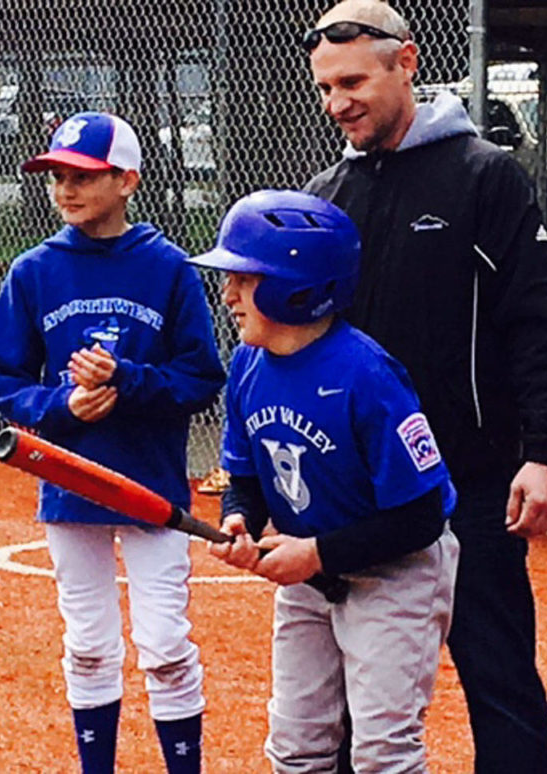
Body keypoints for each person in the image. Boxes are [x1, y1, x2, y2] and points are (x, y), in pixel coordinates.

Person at [302, 2, 547, 771]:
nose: (339, 103)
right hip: (366, 495)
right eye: (326, 88)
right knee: (353, 699)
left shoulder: (484, 177)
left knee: (500, 682)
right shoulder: (327, 193)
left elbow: (537, 320)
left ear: (407, 62)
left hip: (474, 483)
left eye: (353, 81)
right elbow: (299, 341)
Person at [0, 111, 225, 774]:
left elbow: (202, 377)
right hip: (71, 481)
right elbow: (0, 377)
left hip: (151, 485)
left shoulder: (167, 267)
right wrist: (62, 405)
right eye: (57, 175)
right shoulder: (34, 271)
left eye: (84, 176)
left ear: (127, 180)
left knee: (167, 645)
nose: (66, 188)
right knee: (87, 644)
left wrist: (130, 381)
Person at [191, 189, 460, 772]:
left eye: (245, 278)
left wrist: (317, 552)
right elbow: (244, 476)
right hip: (311, 571)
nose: (229, 294)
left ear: (299, 285)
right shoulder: (248, 364)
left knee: (384, 750)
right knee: (296, 743)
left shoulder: (366, 374)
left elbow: (420, 517)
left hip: (396, 570)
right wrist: (239, 517)